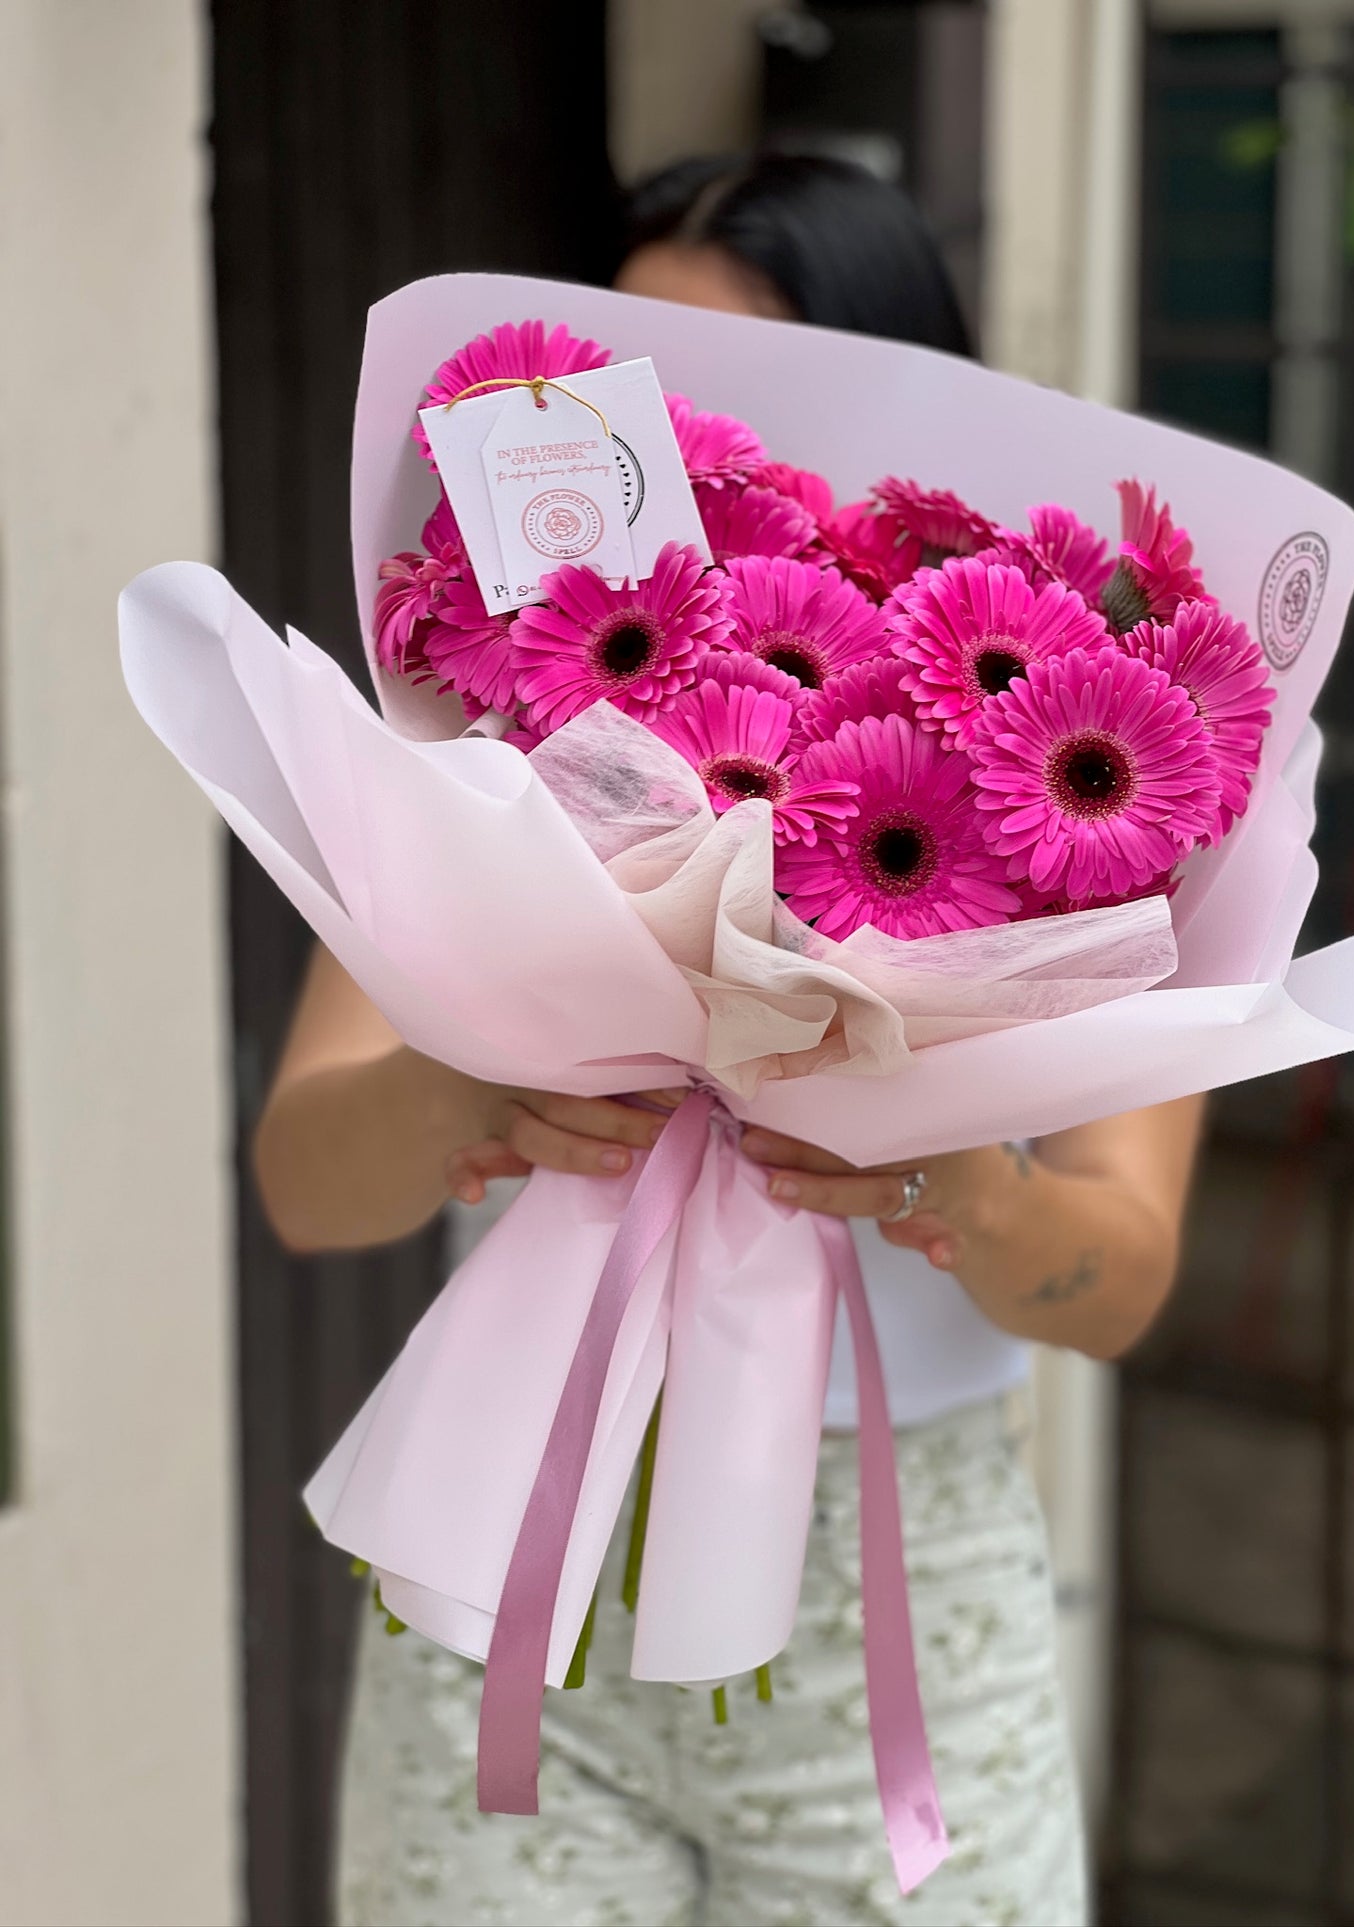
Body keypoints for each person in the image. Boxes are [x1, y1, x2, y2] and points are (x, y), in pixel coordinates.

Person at [256, 153, 1203, 1927]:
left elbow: (1120, 1281)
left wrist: (964, 1190)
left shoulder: (1070, 783)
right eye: (631, 391)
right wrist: (473, 1077)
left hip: (898, 1606)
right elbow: (310, 1188)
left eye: (739, 402)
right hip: (515, 1582)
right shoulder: (478, 746)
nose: (675, 459)